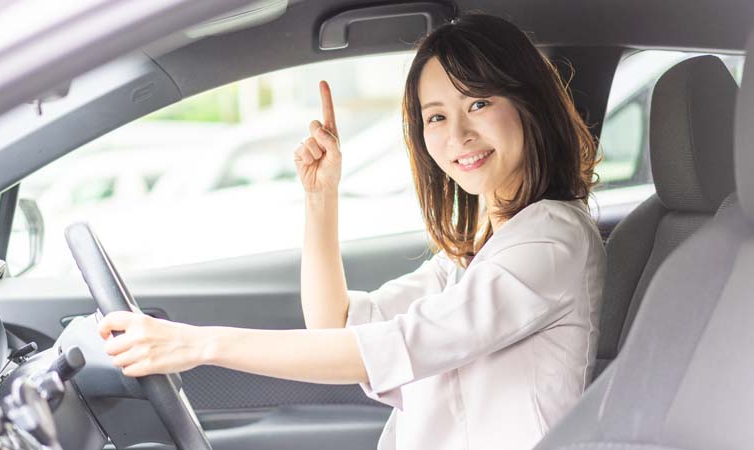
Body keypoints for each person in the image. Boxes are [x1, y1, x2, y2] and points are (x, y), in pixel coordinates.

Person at [97, 12, 606, 450]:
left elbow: (395, 346)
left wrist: (199, 345)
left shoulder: (552, 239)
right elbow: (337, 327)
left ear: (528, 104)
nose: (457, 136)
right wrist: (322, 197)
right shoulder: (478, 247)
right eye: (435, 116)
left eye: (478, 103)